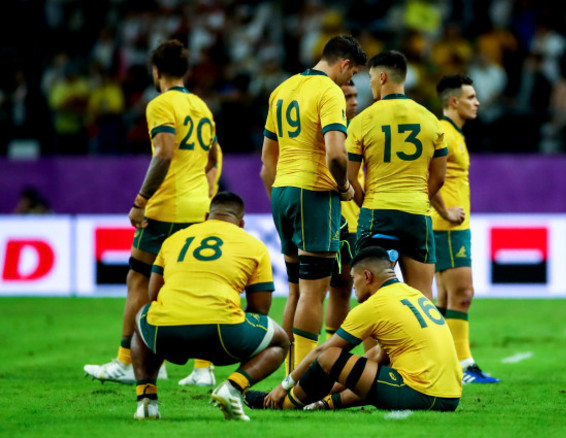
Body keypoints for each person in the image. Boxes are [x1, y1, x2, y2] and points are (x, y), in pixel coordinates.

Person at [84, 39, 222, 386]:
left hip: (166, 208)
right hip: (196, 207)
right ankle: (201, 368)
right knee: (190, 284)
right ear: (185, 70)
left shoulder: (161, 105)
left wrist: (141, 200)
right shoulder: (201, 107)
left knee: (139, 281)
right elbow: (212, 159)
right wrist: (206, 192)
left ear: (156, 71)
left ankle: (127, 362)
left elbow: (163, 153)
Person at [260, 35, 367, 375]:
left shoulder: (283, 89)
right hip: (315, 193)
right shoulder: (329, 91)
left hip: (283, 191)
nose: (348, 84)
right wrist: (344, 187)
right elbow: (336, 153)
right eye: (350, 76)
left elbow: (267, 159)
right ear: (344, 64)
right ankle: (302, 376)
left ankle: (285, 369)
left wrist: (282, 196)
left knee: (294, 291)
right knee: (313, 292)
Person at [131, 192, 290, 420]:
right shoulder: (254, 245)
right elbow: (260, 308)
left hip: (166, 333)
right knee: (280, 341)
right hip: (223, 333)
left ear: (207, 216)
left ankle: (147, 400)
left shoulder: (175, 239)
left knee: (143, 316)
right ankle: (233, 388)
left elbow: (154, 294)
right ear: (241, 223)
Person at [245, 246, 462, 412]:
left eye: (353, 278)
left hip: (421, 392)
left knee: (330, 356)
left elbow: (323, 354)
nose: (353, 286)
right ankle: (323, 404)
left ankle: (283, 404)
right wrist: (325, 396)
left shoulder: (374, 305)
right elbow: (378, 356)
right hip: (450, 396)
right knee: (368, 371)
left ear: (367, 276)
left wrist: (284, 385)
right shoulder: (412, 294)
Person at [347, 50, 448, 300]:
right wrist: (420, 198)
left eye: (370, 77)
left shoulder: (362, 120)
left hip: (378, 213)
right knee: (422, 296)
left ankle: (379, 342)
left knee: (370, 295)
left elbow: (349, 178)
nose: (369, 83)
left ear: (381, 77)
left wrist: (366, 203)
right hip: (416, 214)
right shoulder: (431, 120)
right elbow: (439, 178)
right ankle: (422, 340)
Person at [431, 74, 499, 384]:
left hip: (453, 225)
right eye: (471, 97)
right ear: (453, 101)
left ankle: (441, 361)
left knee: (446, 298)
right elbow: (424, 175)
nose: (478, 102)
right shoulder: (442, 132)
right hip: (446, 226)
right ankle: (463, 364)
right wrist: (444, 209)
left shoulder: (455, 133)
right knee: (462, 293)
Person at [324, 80, 363, 340]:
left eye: (355, 95)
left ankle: (330, 352)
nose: (354, 102)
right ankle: (326, 355)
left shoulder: (362, 128)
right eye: (347, 97)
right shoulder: (330, 134)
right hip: (337, 221)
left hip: (358, 219)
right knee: (333, 289)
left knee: (345, 289)